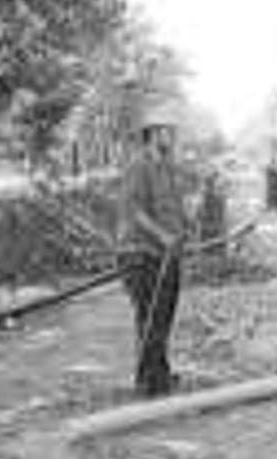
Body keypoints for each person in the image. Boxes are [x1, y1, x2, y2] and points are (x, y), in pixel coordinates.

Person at [117, 105, 188, 397]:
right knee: (150, 318)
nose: (170, 136)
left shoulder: (168, 167)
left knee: (165, 316)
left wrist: (185, 227)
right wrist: (163, 236)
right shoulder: (139, 165)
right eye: (165, 131)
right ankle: (148, 382)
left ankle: (160, 373)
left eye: (171, 131)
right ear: (152, 133)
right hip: (141, 254)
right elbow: (135, 211)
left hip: (168, 255)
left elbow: (171, 208)